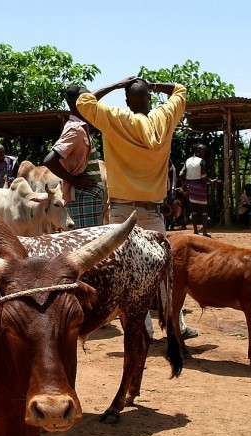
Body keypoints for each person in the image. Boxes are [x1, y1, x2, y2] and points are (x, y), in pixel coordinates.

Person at [76, 76, 197, 340]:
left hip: (121, 212)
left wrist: (118, 85)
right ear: (150, 99)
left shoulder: (115, 117)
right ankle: (177, 326)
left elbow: (83, 100)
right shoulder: (164, 117)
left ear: (128, 101)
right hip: (153, 210)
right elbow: (180, 89)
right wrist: (153, 85)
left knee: (130, 275)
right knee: (165, 273)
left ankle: (143, 330)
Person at [43, 85, 104, 228]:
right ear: (80, 102)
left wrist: (117, 85)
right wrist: (75, 181)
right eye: (86, 98)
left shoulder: (79, 126)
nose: (90, 101)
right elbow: (49, 160)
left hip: (88, 198)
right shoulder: (75, 129)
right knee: (90, 246)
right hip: (84, 198)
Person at [179, 143, 217, 237]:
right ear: (198, 151)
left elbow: (181, 174)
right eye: (203, 150)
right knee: (204, 209)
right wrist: (211, 181)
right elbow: (204, 177)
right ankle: (204, 231)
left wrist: (184, 183)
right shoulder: (202, 161)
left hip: (191, 186)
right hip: (200, 186)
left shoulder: (188, 160)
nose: (204, 152)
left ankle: (196, 231)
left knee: (193, 209)